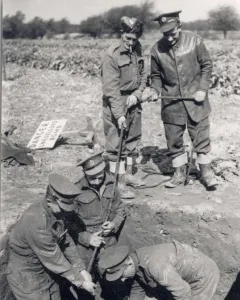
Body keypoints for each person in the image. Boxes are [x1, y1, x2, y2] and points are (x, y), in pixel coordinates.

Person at [148, 11, 218, 189]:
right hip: (171, 103)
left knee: (201, 137)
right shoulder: (156, 49)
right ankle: (179, 173)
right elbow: (155, 76)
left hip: (196, 101)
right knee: (174, 140)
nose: (169, 38)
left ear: (179, 27)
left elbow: (207, 66)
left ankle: (206, 172)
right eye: (165, 34)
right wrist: (154, 90)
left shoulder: (195, 41)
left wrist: (202, 89)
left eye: (172, 33)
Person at [5, 173, 96, 300]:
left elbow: (66, 240)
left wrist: (81, 269)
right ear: (49, 201)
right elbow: (53, 257)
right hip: (27, 275)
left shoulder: (57, 211)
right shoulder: (36, 221)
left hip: (48, 272)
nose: (66, 211)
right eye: (63, 207)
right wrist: (81, 282)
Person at [63, 151, 127, 299]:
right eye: (92, 178)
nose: (97, 181)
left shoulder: (111, 183)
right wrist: (86, 238)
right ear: (85, 173)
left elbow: (121, 209)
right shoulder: (76, 191)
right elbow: (67, 222)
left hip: (109, 241)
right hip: (86, 247)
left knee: (112, 278)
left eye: (100, 177)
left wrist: (113, 224)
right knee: (86, 282)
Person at [101, 16, 147, 199]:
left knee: (132, 140)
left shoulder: (138, 49)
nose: (131, 43)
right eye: (128, 38)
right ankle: (117, 183)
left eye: (134, 39)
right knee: (116, 144)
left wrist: (138, 94)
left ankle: (128, 175)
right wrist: (119, 115)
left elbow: (144, 75)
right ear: (122, 34)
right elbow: (111, 89)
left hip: (134, 101)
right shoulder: (111, 55)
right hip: (116, 102)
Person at [98, 240, 220, 300]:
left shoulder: (155, 266)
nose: (123, 280)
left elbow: (183, 292)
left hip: (203, 275)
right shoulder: (135, 262)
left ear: (129, 263)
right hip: (177, 277)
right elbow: (137, 287)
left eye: (122, 275)